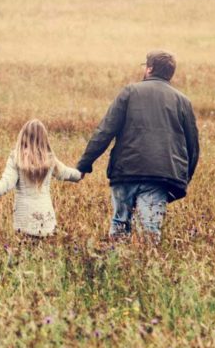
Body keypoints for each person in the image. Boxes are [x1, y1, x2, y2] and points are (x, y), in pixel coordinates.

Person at [76, 50, 200, 243]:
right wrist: (184, 177)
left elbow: (105, 131)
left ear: (149, 68)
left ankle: (117, 266)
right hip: (160, 176)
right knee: (150, 232)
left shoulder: (129, 92)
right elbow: (193, 146)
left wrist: (84, 165)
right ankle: (145, 267)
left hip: (125, 172)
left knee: (119, 226)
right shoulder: (183, 101)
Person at [0, 119, 82, 237]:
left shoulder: (16, 157)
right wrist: (80, 174)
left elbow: (6, 183)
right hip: (45, 217)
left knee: (25, 250)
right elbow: (66, 173)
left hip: (23, 219)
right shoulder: (50, 159)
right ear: (44, 138)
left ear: (23, 136)